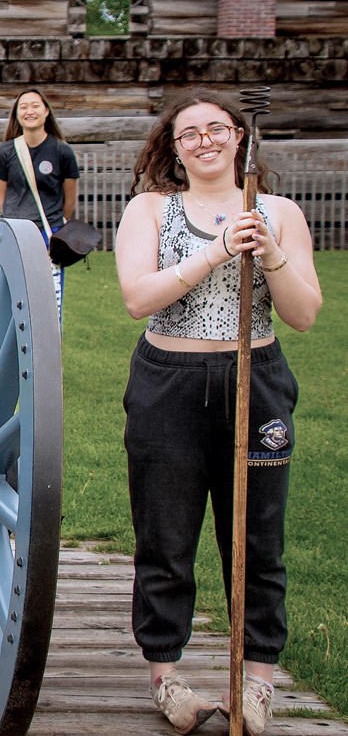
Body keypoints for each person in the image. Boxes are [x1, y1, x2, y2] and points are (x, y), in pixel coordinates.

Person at [115, 89, 321, 736]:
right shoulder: (151, 209)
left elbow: (304, 312)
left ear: (238, 137)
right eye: (189, 133)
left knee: (258, 537)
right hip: (168, 380)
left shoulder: (279, 211)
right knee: (167, 535)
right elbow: (137, 295)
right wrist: (215, 250)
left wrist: (269, 252)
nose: (204, 140)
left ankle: (256, 683)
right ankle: (167, 675)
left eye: (216, 128)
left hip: (255, 377)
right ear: (173, 148)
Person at [0, 88, 80, 320]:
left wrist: (55, 227)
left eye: (35, 105)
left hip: (50, 235)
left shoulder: (62, 151)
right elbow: (4, 197)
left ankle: (49, 352)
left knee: (50, 300)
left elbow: (69, 200)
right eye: (24, 107)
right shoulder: (5, 152)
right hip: (15, 234)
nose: (30, 111)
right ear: (17, 115)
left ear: (46, 111)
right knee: (12, 297)